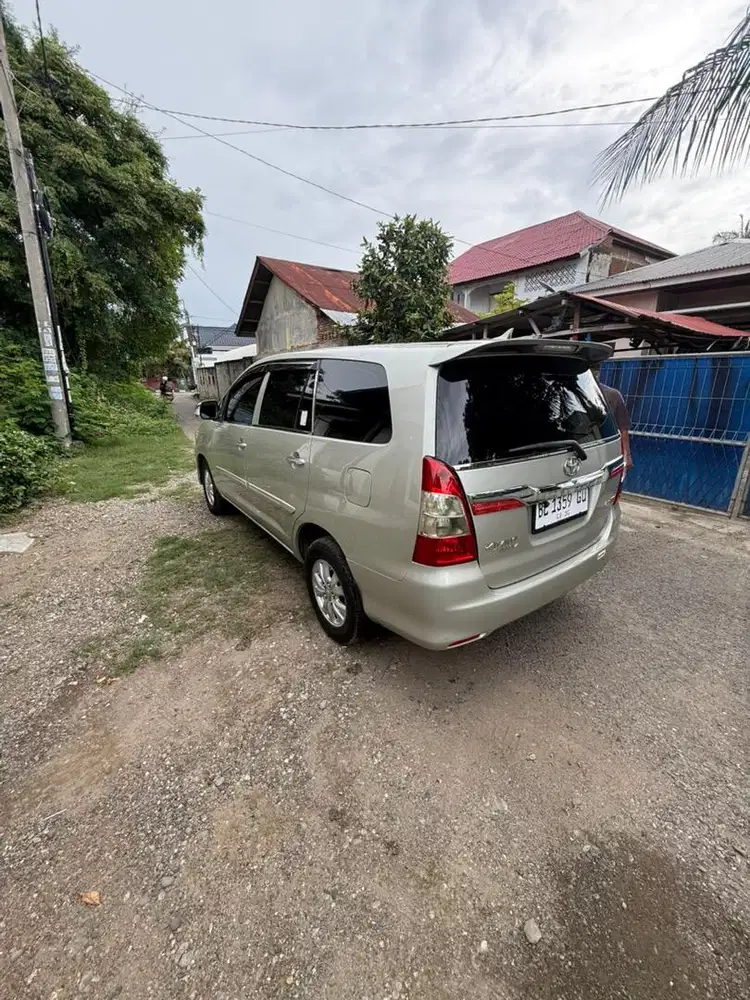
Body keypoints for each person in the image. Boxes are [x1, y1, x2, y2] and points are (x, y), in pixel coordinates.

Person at [594, 366, 633, 470]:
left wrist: (627, 455)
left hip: (609, 449)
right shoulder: (574, 394)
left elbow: (623, 428)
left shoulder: (613, 395)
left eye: (595, 370)